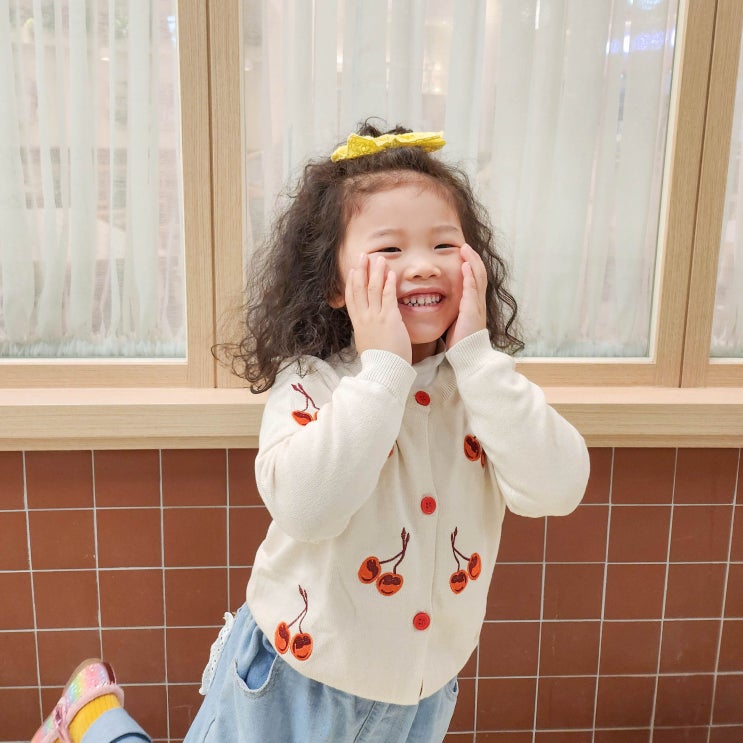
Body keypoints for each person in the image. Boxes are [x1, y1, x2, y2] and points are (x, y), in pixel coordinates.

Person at [32, 122, 590, 743]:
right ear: (332, 284)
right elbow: (308, 508)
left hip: (422, 693)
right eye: (390, 249)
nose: (423, 265)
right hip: (295, 681)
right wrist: (385, 369)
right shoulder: (314, 382)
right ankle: (91, 719)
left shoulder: (484, 388)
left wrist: (479, 359)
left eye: (444, 244)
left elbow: (557, 488)